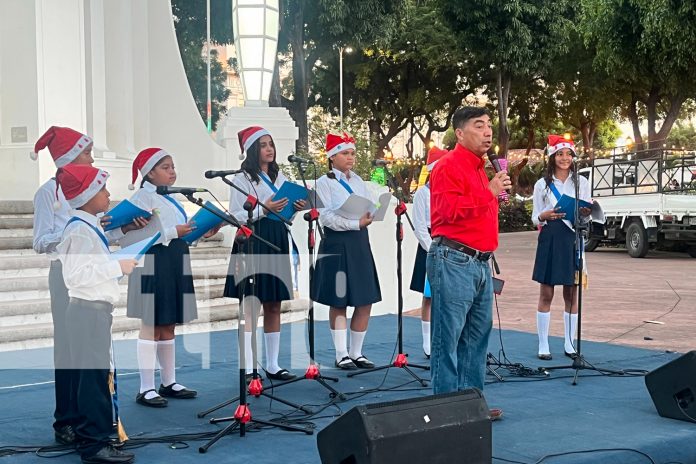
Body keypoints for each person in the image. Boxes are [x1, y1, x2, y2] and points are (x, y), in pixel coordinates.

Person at [31, 126, 144, 446]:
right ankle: (65, 420)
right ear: (67, 158)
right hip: (65, 275)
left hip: (91, 272)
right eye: (85, 153)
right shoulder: (46, 193)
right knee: (69, 352)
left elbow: (96, 241)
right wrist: (71, 231)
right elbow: (40, 241)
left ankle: (90, 419)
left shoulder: (90, 195)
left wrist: (120, 227)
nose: (91, 158)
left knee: (91, 354)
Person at [427, 107, 510, 404]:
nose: (488, 131)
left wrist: (493, 193)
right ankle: (446, 408)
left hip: (480, 262)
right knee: (447, 339)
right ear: (460, 133)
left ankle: (471, 405)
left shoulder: (480, 168)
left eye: (489, 125)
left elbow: (480, 210)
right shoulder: (448, 166)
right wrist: (489, 191)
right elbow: (448, 212)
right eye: (479, 126)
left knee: (476, 339)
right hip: (454, 258)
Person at [56, 164, 138, 464]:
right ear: (88, 196)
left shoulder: (88, 226)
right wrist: (118, 266)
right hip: (87, 312)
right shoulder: (79, 230)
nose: (108, 194)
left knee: (90, 378)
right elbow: (76, 276)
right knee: (94, 379)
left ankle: (88, 434)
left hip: (89, 312)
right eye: (102, 189)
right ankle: (94, 443)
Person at [223, 126, 304, 381]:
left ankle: (272, 364)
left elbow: (283, 211)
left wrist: (295, 207)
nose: (269, 149)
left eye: (271, 144)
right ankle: (248, 367)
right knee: (250, 306)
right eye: (263, 145)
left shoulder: (279, 177)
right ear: (252, 150)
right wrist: (264, 209)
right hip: (253, 240)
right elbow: (235, 216)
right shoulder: (242, 179)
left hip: (277, 237)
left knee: (273, 304)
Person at [126, 148, 203, 407]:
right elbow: (133, 237)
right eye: (165, 167)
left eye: (173, 166)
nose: (172, 172)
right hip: (151, 262)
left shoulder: (171, 198)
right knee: (151, 323)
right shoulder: (141, 198)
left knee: (168, 322)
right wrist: (173, 231)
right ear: (149, 172)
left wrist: (199, 230)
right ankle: (145, 387)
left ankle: (168, 381)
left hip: (173, 259)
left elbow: (175, 231)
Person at [311, 132, 381, 370]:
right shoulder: (324, 182)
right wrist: (354, 223)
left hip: (360, 241)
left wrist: (371, 214)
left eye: (352, 153)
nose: (350, 157)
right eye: (345, 153)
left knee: (365, 298)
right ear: (332, 157)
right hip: (337, 242)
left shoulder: (359, 180)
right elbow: (326, 217)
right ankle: (341, 354)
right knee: (339, 299)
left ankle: (357, 352)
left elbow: (368, 205)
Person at [532, 135, 592, 361]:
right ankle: (543, 343)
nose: (565, 158)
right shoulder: (542, 185)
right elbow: (534, 217)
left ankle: (569, 342)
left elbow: (585, 215)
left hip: (572, 238)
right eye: (560, 154)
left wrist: (585, 213)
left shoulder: (581, 183)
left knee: (571, 292)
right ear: (552, 157)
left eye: (568, 154)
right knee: (546, 292)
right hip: (550, 236)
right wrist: (543, 215)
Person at [410, 146, 447, 359]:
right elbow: (420, 226)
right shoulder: (423, 193)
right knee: (430, 296)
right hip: (431, 245)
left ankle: (445, 339)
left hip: (450, 244)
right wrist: (432, 247)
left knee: (448, 296)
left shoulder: (450, 192)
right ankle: (427, 342)